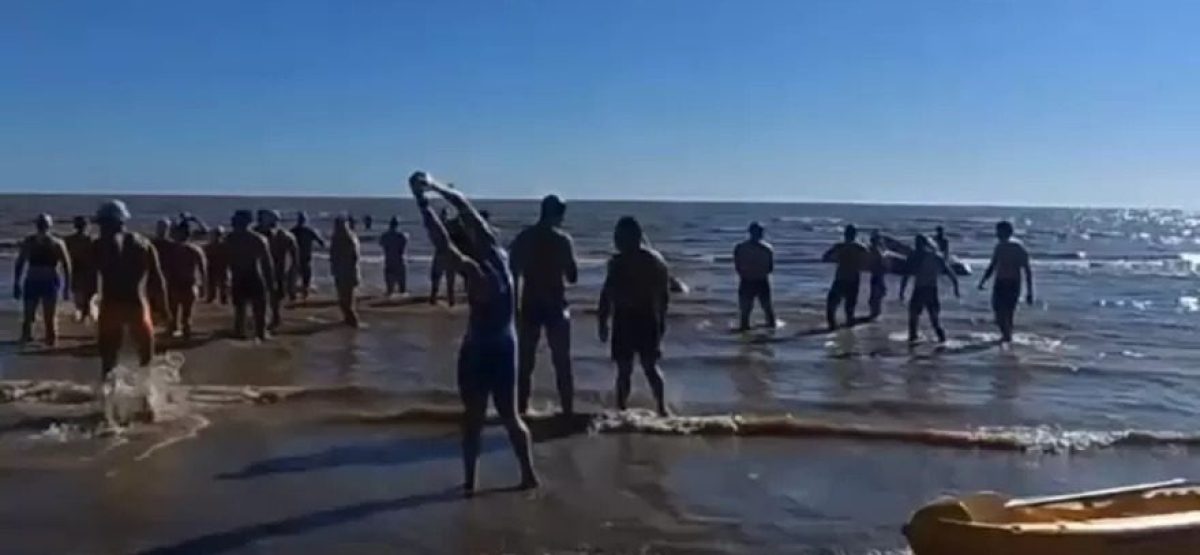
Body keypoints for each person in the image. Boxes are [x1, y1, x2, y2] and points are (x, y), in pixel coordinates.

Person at [409, 171, 538, 496]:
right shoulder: (500, 257)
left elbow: (443, 245)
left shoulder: (477, 273)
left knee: (474, 418)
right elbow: (467, 210)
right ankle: (528, 475)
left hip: (482, 349)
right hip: (508, 345)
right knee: (510, 416)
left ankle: (470, 480)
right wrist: (436, 185)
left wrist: (421, 202)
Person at [509, 195, 578, 416]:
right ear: (557, 214)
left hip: (529, 303)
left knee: (525, 363)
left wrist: (513, 308)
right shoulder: (562, 240)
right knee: (562, 362)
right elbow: (572, 276)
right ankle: (568, 410)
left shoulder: (524, 238)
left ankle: (521, 409)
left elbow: (513, 274)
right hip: (555, 305)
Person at [597, 216, 671, 417]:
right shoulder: (649, 260)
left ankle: (660, 407)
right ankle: (625, 408)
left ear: (633, 237)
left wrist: (603, 321)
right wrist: (603, 321)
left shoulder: (645, 261)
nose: (616, 241)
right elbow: (607, 295)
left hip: (639, 319)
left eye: (619, 237)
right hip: (636, 319)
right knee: (631, 369)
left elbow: (663, 295)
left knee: (644, 368)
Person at [92, 200, 167, 378]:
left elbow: (88, 278)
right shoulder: (144, 243)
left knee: (108, 360)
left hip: (111, 305)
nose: (101, 228)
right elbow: (157, 280)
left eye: (102, 223)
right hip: (137, 305)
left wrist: (88, 302)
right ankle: (147, 397)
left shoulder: (99, 245)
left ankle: (108, 398)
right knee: (146, 359)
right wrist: (165, 309)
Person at [13, 214, 72, 345]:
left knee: (49, 316)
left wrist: (67, 287)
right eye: (40, 224)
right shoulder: (29, 242)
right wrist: (16, 283)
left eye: (44, 224)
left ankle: (51, 341)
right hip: (32, 281)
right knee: (28, 315)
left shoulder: (57, 243)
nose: (42, 227)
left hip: (50, 282)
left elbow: (67, 265)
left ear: (49, 226)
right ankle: (26, 339)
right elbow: (20, 262)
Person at [978, 221, 1034, 344]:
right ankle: (1007, 336)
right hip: (1000, 282)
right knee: (999, 312)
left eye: (999, 231)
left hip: (1012, 283)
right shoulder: (999, 246)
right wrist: (983, 281)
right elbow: (992, 265)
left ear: (1007, 232)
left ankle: (1007, 338)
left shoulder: (1017, 247)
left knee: (1007, 312)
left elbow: (1027, 270)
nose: (997, 233)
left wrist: (1029, 292)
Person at [899, 235, 960, 344]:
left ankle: (916, 338)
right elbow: (951, 273)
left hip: (922, 290)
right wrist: (956, 287)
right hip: (929, 290)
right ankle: (940, 340)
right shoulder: (935, 257)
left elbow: (906, 275)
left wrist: (902, 291)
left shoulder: (916, 256)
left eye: (918, 243)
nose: (916, 245)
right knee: (929, 318)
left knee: (917, 317)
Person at [227, 210, 274, 341]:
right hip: (248, 277)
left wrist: (270, 283)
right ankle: (257, 335)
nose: (233, 221)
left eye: (235, 219)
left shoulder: (232, 238)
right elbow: (267, 264)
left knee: (251, 310)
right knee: (245, 310)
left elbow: (267, 263)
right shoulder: (257, 239)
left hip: (247, 276)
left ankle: (254, 334)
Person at [255, 210, 298, 329]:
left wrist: (292, 274)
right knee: (263, 297)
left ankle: (274, 319)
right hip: (262, 270)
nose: (258, 220)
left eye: (261, 218)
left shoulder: (285, 236)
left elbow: (295, 257)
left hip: (278, 270)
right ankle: (267, 319)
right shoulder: (257, 233)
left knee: (275, 297)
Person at [164, 222, 207, 338]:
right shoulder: (195, 249)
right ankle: (185, 331)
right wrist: (203, 285)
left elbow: (165, 267)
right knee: (186, 313)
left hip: (177, 284)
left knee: (174, 312)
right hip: (188, 284)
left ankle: (175, 330)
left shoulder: (170, 249)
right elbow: (203, 269)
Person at [822, 224, 868, 330]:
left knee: (831, 305)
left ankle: (832, 327)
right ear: (855, 234)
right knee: (850, 308)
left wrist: (838, 259)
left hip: (841, 277)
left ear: (845, 234)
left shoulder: (839, 246)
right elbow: (868, 261)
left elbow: (825, 257)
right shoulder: (860, 247)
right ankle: (849, 330)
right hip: (854, 279)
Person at [733, 221, 776, 331]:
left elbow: (737, 265)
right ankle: (771, 331)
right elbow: (770, 268)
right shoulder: (767, 248)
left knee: (746, 310)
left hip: (747, 280)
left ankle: (744, 330)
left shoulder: (740, 247)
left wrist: (745, 273)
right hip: (761, 280)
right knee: (767, 309)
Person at [329, 216, 362, 326]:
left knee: (348, 302)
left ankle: (354, 322)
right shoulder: (336, 238)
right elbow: (333, 255)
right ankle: (347, 320)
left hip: (349, 273)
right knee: (342, 301)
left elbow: (355, 257)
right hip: (339, 273)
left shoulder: (350, 238)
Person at [64, 216, 97, 322]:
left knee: (82, 295)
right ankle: (85, 315)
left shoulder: (69, 240)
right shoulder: (91, 240)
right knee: (86, 295)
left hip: (80, 269)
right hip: (86, 270)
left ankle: (84, 315)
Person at [428, 208, 460, 306]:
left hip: (443, 254)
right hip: (446, 255)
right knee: (445, 279)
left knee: (441, 279)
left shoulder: (440, 227)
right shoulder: (449, 226)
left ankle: (440, 300)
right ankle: (448, 301)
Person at [291, 212, 326, 300]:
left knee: (297, 276)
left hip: (297, 257)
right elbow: (321, 242)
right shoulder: (308, 231)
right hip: (303, 257)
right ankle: (303, 294)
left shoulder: (294, 231)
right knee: (304, 277)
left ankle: (296, 294)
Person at [378, 216, 409, 297]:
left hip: (389, 262)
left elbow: (381, 244)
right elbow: (404, 245)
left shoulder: (385, 236)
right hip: (399, 262)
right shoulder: (401, 236)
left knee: (389, 289)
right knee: (402, 289)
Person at [204, 226, 230, 305]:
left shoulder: (223, 246)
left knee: (222, 283)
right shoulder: (209, 246)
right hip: (213, 266)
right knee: (212, 283)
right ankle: (212, 297)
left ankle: (222, 298)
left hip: (221, 266)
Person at [867, 230, 889, 320]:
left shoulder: (874, 249)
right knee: (877, 294)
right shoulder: (876, 250)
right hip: (877, 275)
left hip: (877, 275)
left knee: (876, 294)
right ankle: (875, 313)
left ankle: (875, 313)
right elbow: (881, 261)